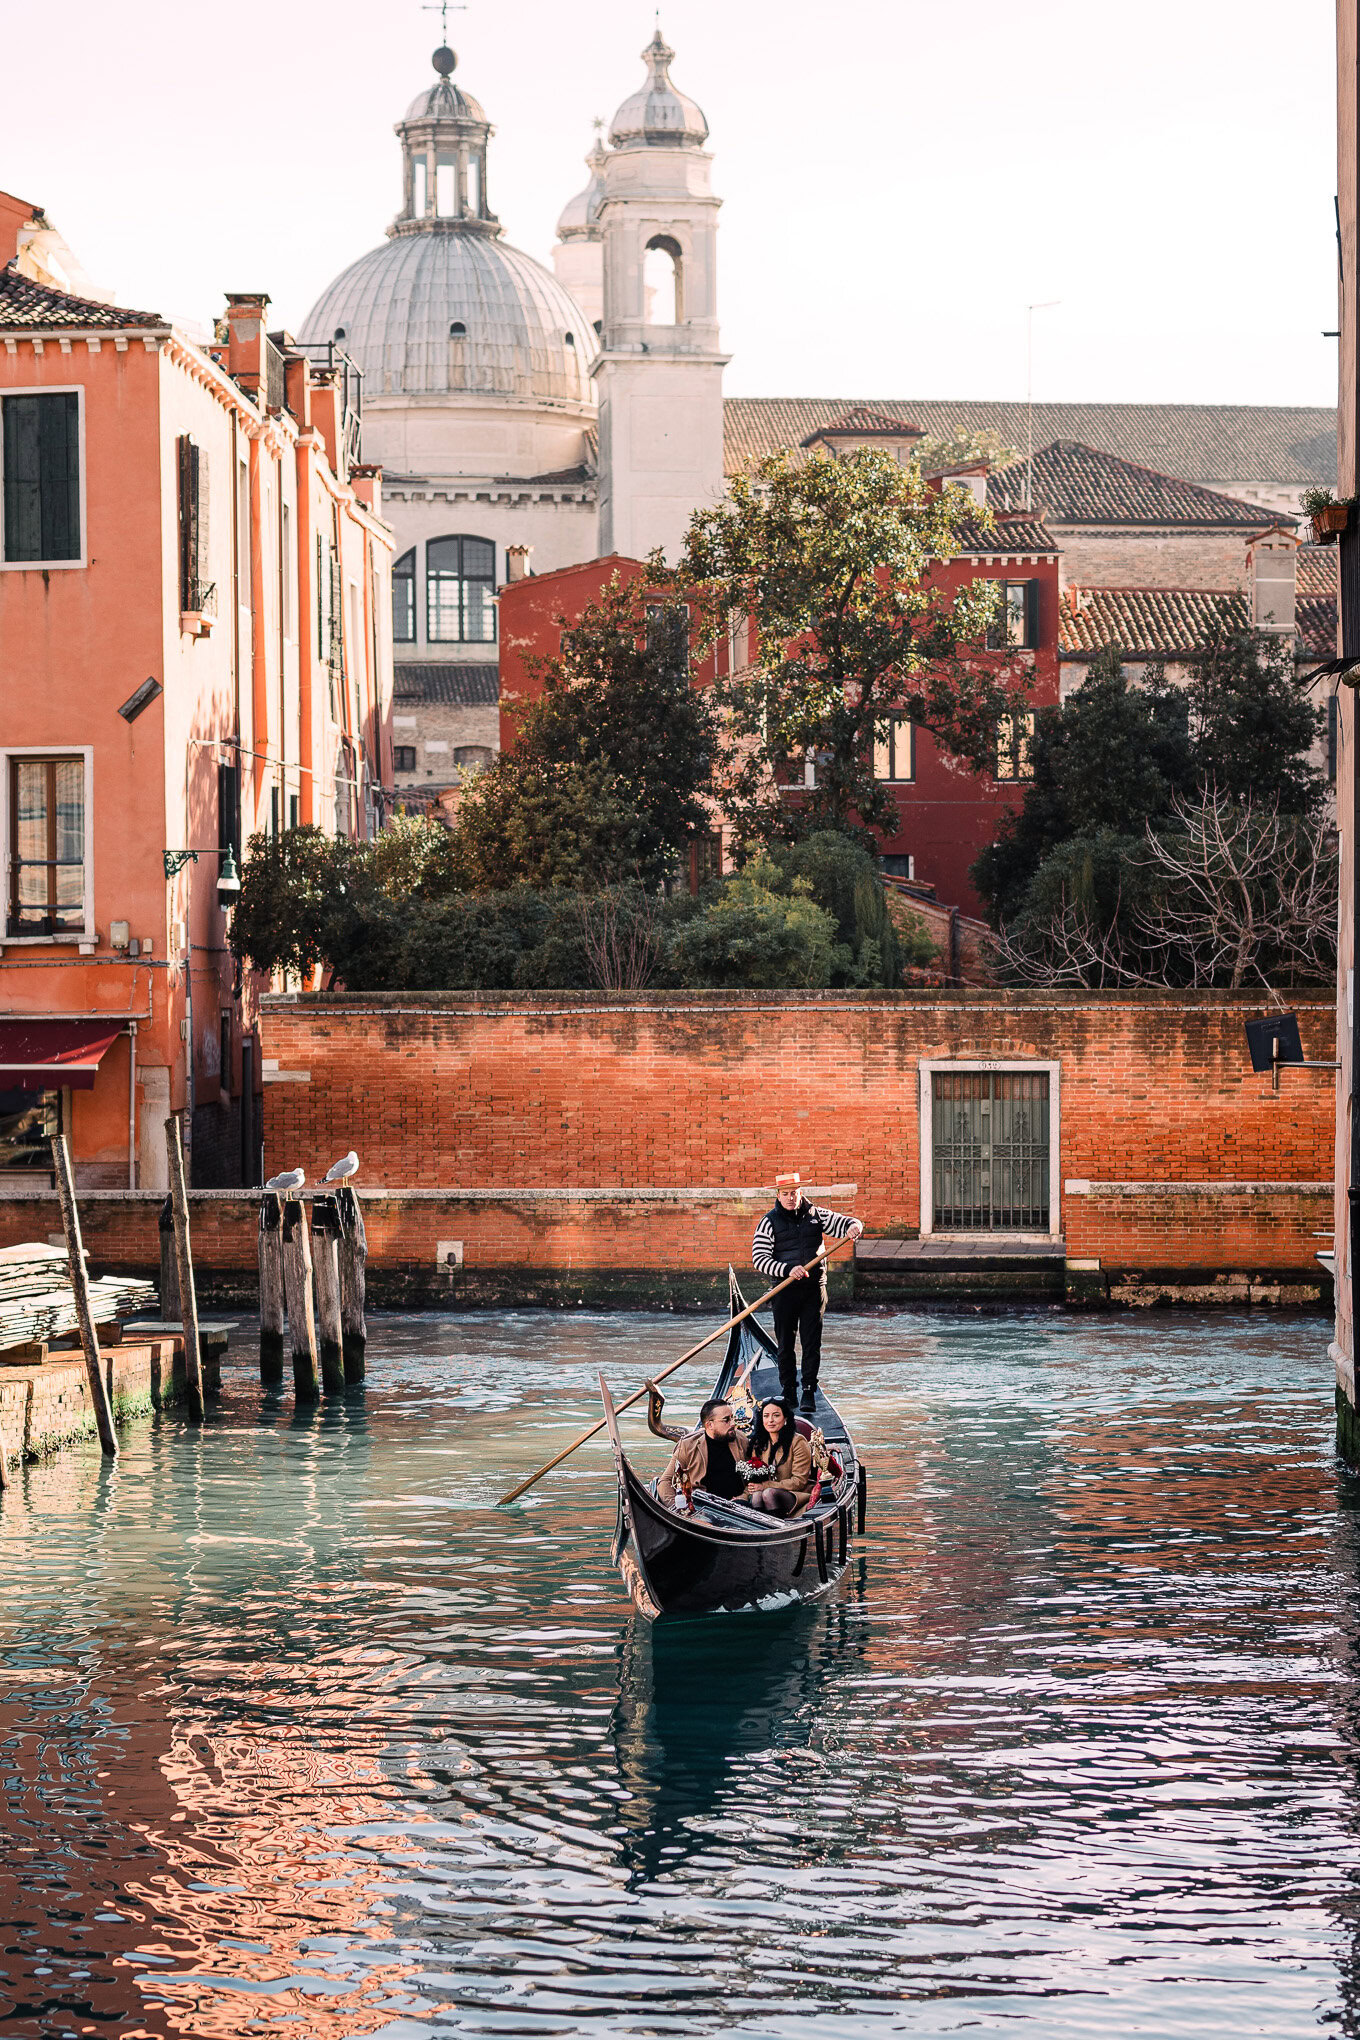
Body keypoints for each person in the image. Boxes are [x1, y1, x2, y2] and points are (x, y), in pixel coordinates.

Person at [752, 1170, 863, 1413]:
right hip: (785, 1291)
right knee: (785, 1345)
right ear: (778, 1196)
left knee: (812, 1343)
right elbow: (759, 1259)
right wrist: (787, 1270)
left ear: (800, 1193)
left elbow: (846, 1222)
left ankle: (809, 1391)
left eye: (794, 1193)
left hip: (814, 1289)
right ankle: (789, 1392)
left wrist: (855, 1226)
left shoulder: (816, 1214)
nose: (791, 1198)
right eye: (786, 1194)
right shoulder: (768, 1221)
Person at [656, 1398, 745, 1510]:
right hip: (703, 1508)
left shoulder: (741, 1440)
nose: (733, 1423)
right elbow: (665, 1481)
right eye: (726, 1420)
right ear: (710, 1425)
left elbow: (755, 1479)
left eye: (733, 1418)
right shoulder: (688, 1446)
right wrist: (678, 1510)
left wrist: (744, 1497)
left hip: (739, 1509)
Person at [743, 1397, 814, 1516]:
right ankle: (762, 1529)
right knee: (757, 1495)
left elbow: (799, 1481)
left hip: (795, 1494)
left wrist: (765, 1486)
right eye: (766, 1416)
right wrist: (744, 1496)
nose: (770, 1420)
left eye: (776, 1415)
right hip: (763, 1493)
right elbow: (754, 1482)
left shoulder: (798, 1442)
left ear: (785, 1418)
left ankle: (779, 1528)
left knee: (768, 1493)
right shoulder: (759, 1443)